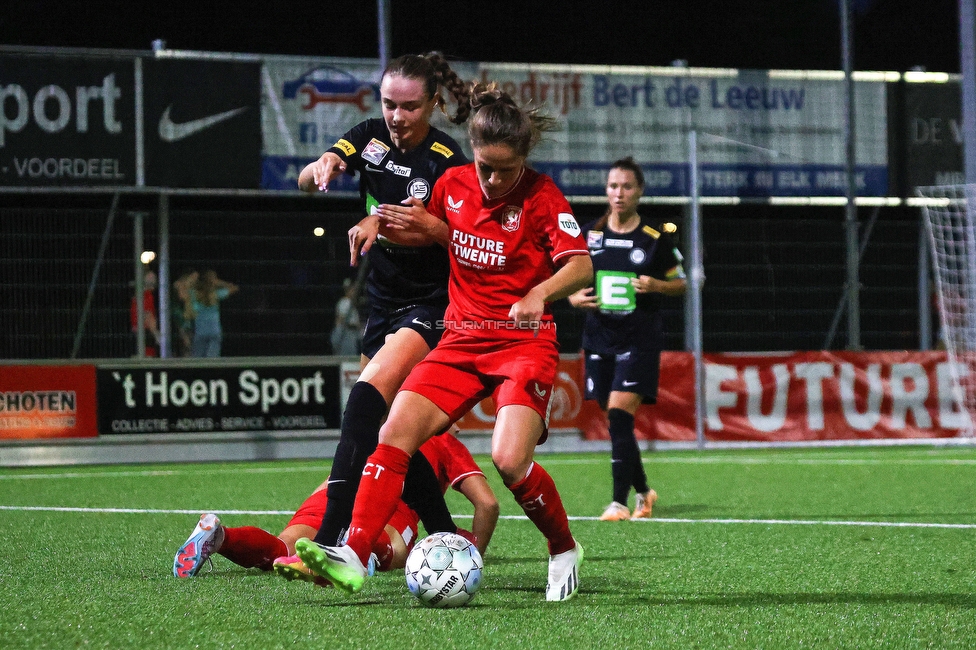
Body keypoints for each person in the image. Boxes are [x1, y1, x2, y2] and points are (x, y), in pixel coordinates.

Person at [294, 82, 594, 602]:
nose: (493, 179)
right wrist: (374, 220)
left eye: (505, 169)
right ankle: (353, 553)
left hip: (523, 342)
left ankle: (564, 547)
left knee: (507, 461)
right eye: (485, 166)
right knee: (395, 430)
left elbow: (581, 263)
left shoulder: (543, 197)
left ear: (524, 158)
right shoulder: (453, 182)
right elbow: (419, 227)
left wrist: (539, 294)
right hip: (461, 338)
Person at [285, 52, 475, 557]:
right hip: (383, 302)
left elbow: (450, 235)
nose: (396, 116)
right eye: (390, 103)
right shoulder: (368, 136)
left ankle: (328, 540)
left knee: (365, 401)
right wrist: (320, 166)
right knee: (386, 431)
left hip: (432, 303)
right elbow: (307, 183)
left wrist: (380, 222)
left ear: (433, 104)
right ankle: (447, 535)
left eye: (410, 107)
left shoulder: (446, 162)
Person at [173, 431, 498, 584]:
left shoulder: (386, 421)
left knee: (284, 547)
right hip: (387, 499)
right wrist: (473, 554)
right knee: (395, 549)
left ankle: (220, 537)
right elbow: (487, 503)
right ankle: (366, 555)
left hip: (333, 490)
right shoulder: (444, 439)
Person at [567, 157, 687, 521]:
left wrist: (657, 286)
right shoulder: (590, 235)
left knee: (619, 414)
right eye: (613, 186)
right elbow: (568, 279)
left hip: (639, 339)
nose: (619, 193)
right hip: (599, 338)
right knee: (614, 417)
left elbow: (681, 283)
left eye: (627, 186)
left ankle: (619, 502)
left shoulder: (655, 237)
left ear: (640, 192)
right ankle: (645, 491)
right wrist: (573, 298)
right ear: (606, 190)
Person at [175, 269, 238, 358]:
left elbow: (179, 287)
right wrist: (219, 282)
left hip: (200, 332)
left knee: (197, 361)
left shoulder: (194, 295)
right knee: (212, 361)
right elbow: (234, 288)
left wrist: (190, 280)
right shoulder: (215, 295)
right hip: (214, 332)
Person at [130, 269, 160, 357]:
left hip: (136, 332)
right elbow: (148, 315)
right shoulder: (148, 296)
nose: (153, 282)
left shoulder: (136, 296)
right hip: (145, 333)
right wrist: (156, 334)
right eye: (151, 279)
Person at [330, 278, 363, 356]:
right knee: (347, 361)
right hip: (345, 336)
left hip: (351, 337)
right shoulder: (344, 302)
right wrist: (358, 326)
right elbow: (343, 320)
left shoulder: (351, 304)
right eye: (353, 290)